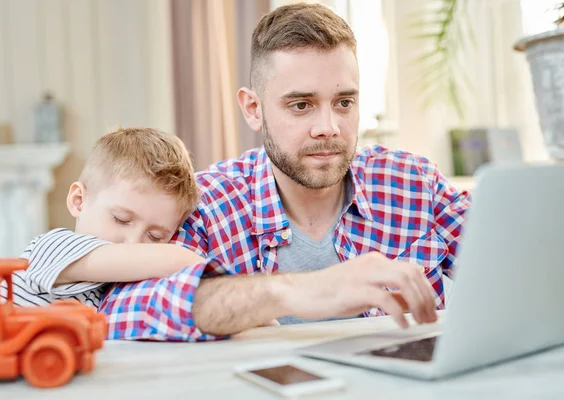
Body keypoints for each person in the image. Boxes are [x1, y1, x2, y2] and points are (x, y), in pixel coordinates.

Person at [99, 2, 472, 342]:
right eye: (301, 105)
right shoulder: (207, 204)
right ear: (253, 108)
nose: (328, 126)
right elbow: (119, 311)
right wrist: (292, 291)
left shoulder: (415, 183)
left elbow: (516, 259)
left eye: (344, 102)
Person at [0, 127, 204, 319]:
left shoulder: (110, 287)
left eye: (154, 236)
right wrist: (205, 268)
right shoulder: (54, 247)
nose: (134, 243)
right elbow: (175, 260)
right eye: (121, 220)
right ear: (78, 201)